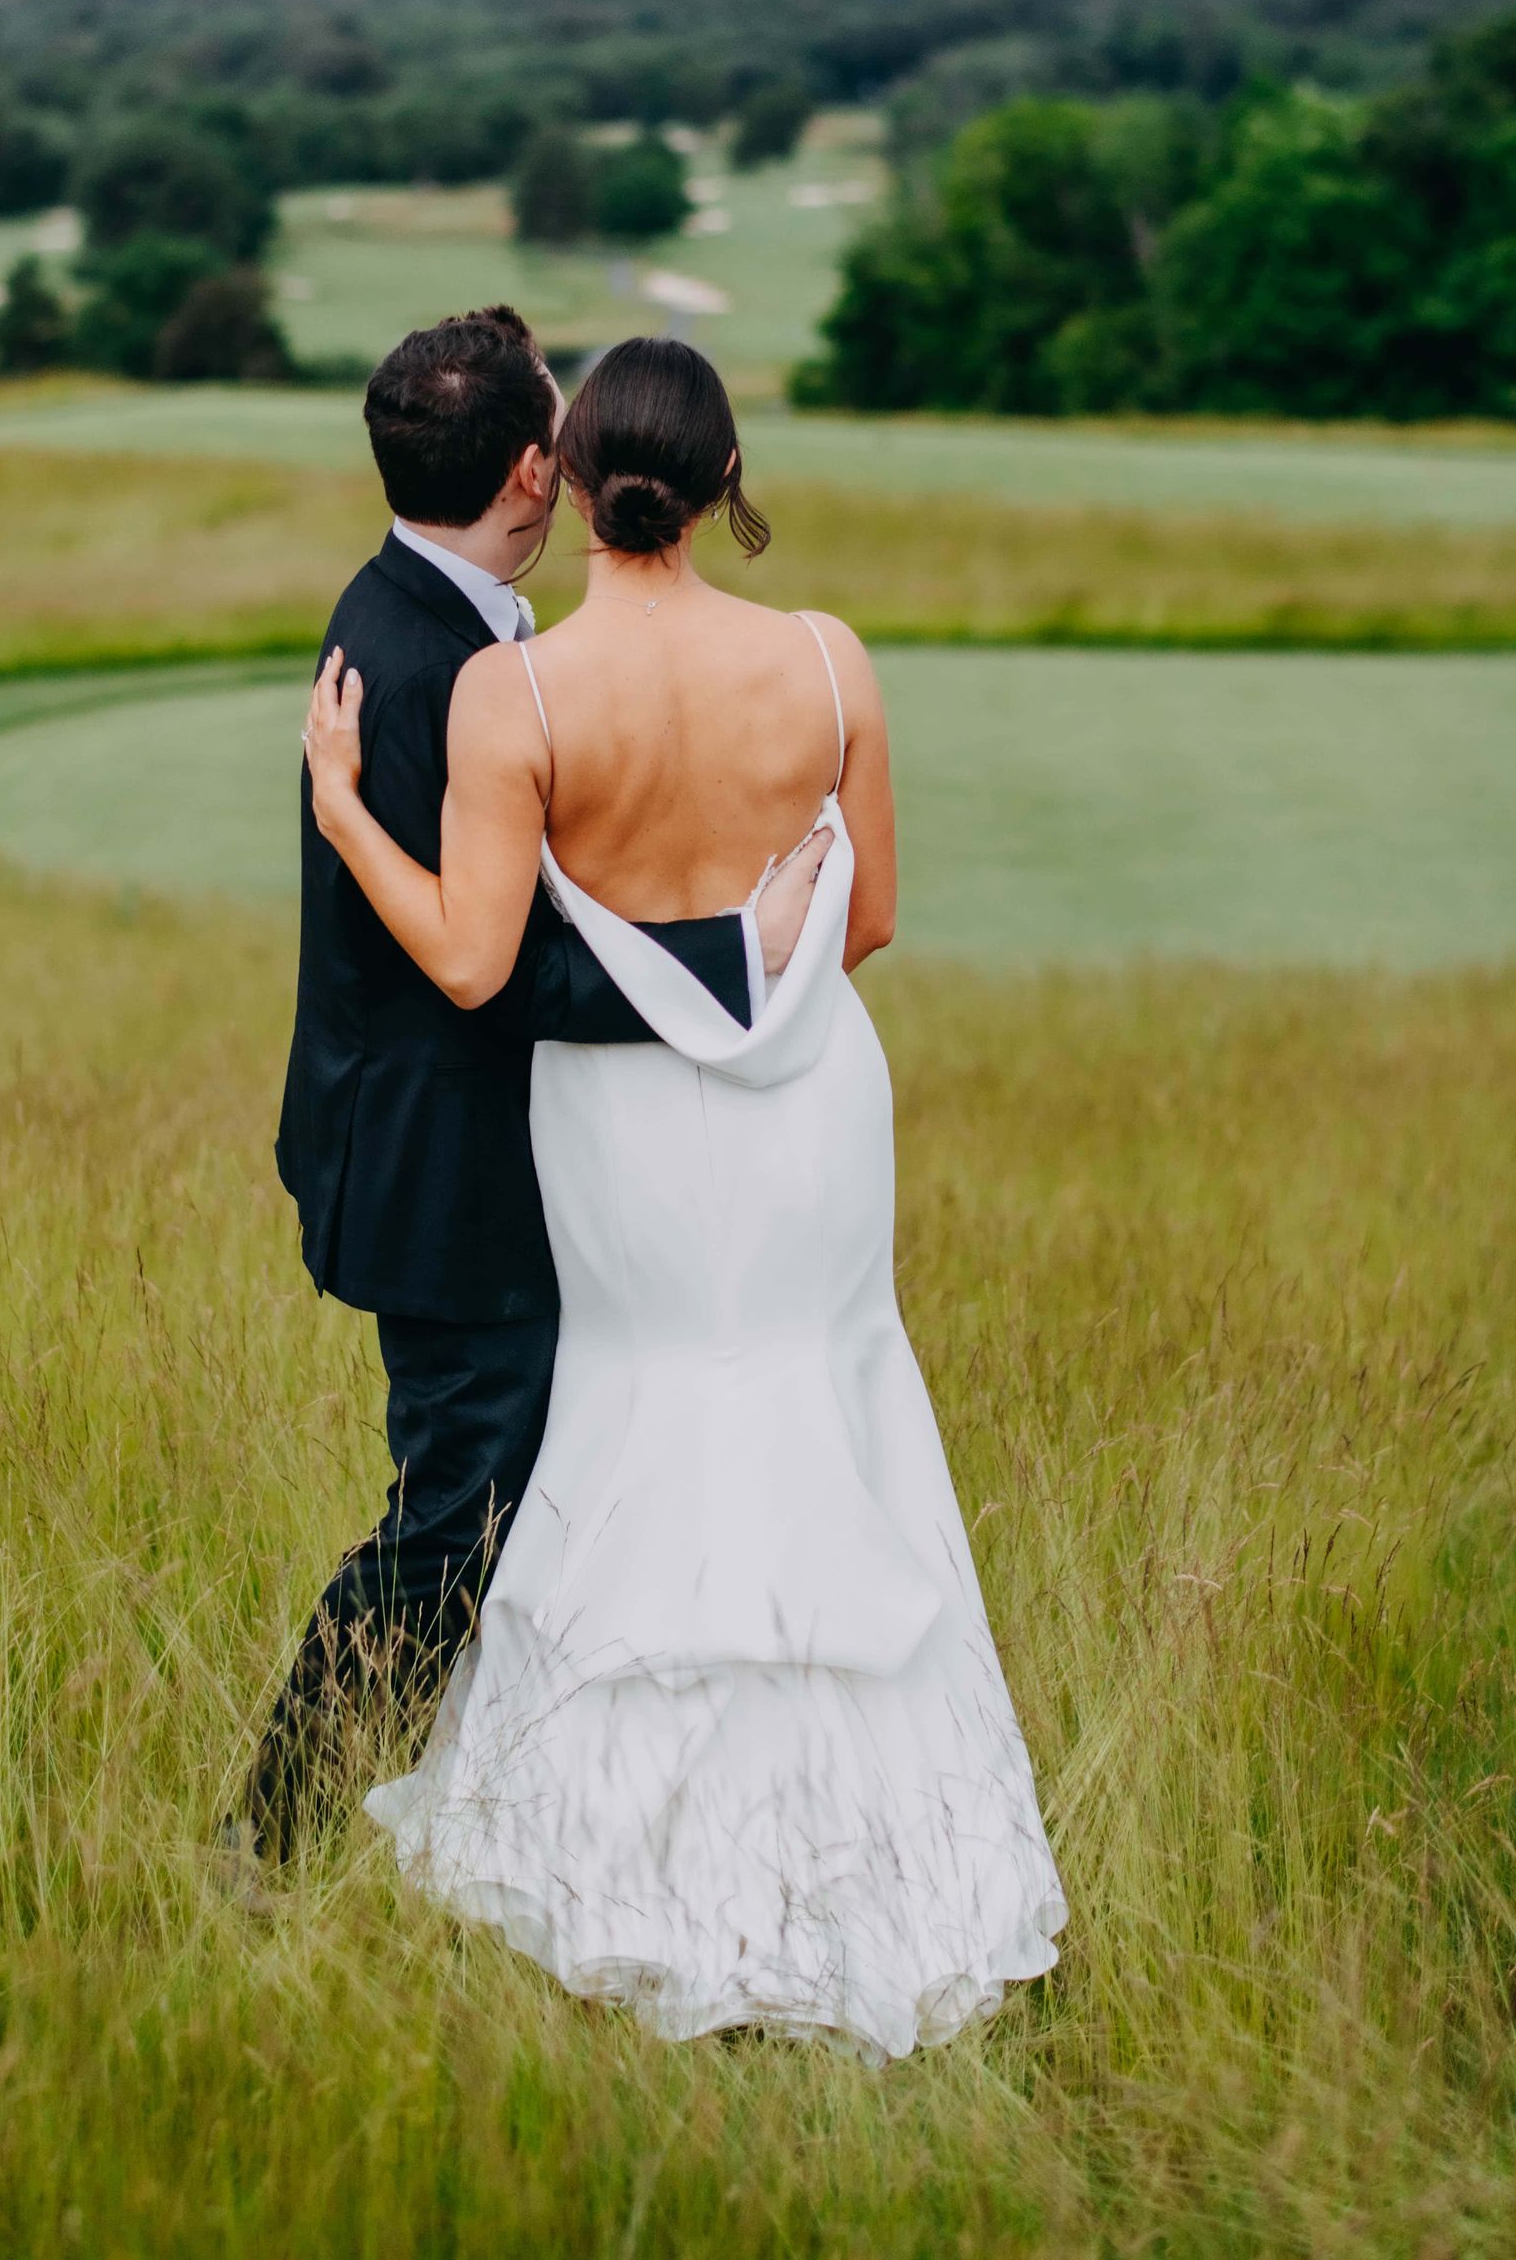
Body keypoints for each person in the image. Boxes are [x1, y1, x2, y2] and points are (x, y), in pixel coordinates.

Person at [301, 333, 1066, 2059]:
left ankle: (622, 1869)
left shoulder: (522, 692)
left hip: (620, 1128)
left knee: (642, 1425)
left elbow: (478, 966)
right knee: (822, 1405)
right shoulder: (828, 657)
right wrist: (755, 946)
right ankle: (893, 1871)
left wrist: (348, 812)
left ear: (568, 484)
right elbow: (864, 925)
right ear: (728, 480)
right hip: (808, 1110)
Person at [240, 306, 812, 1870]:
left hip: (437, 1143)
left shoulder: (435, 618)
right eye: (554, 434)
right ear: (529, 475)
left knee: (506, 1500)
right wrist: (729, 956)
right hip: (443, 1177)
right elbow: (492, 972)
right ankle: (271, 1844)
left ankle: (531, 1804)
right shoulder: (428, 667)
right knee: (452, 1527)